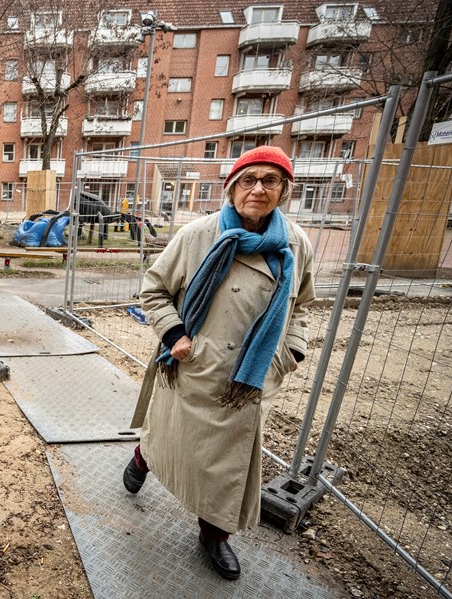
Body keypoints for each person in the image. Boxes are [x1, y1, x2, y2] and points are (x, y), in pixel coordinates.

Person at [122, 146, 315, 580]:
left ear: (283, 190)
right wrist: (175, 336)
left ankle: (214, 535)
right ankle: (143, 457)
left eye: (270, 181)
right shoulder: (199, 234)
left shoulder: (295, 243)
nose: (258, 189)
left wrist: (293, 351)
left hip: (249, 377)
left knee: (227, 464)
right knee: (170, 434)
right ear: (231, 188)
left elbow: (301, 304)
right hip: (194, 366)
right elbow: (154, 291)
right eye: (249, 180)